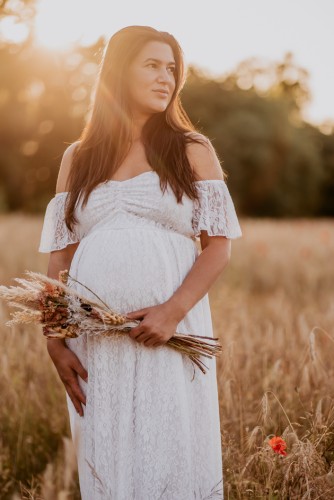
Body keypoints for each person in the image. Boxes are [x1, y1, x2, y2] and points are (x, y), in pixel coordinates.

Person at [38, 25, 242, 500]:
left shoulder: (191, 149)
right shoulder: (78, 157)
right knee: (110, 463)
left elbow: (218, 246)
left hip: (169, 333)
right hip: (96, 343)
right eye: (151, 65)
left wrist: (171, 312)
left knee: (170, 455)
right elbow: (59, 259)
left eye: (171, 69)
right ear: (118, 71)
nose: (165, 78)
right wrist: (54, 339)